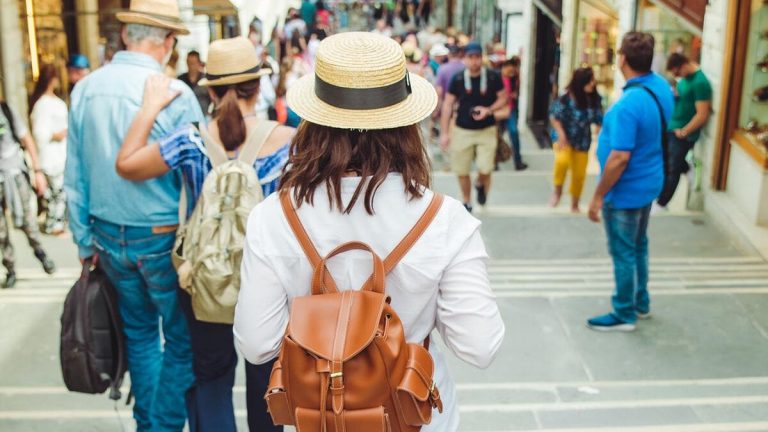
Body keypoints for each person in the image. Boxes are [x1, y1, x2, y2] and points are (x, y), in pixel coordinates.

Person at [232, 31, 504, 431]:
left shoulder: (273, 217)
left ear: (314, 122)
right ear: (406, 123)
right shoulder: (446, 221)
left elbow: (256, 346)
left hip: (319, 417)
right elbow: (480, 346)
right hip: (416, 419)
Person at [116, 36, 292, 432]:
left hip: (204, 278)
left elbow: (126, 164)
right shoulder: (288, 142)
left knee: (210, 377)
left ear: (208, 89)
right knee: (267, 379)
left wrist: (149, 108)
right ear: (258, 86)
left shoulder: (190, 138)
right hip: (268, 281)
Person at [64, 0, 202, 429]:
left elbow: (75, 175)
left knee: (141, 335)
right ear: (169, 42)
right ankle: (160, 425)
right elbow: (196, 178)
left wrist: (83, 239)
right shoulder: (174, 93)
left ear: (125, 35)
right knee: (181, 340)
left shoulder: (86, 88)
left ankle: (149, 425)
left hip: (107, 235)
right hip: (161, 234)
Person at [587, 32, 674, 331]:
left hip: (625, 190)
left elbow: (619, 158)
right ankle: (641, 301)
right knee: (639, 245)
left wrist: (598, 196)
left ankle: (624, 312)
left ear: (622, 59)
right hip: (650, 182)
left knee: (624, 251)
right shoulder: (660, 87)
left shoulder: (628, 105)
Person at [440, 41, 508, 212]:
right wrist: (445, 133)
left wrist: (489, 110)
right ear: (465, 59)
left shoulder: (493, 77)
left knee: (486, 168)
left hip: (487, 129)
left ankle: (480, 183)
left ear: (481, 58)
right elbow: (448, 104)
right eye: (471, 57)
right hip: (463, 129)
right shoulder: (458, 78)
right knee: (461, 169)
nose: (474, 61)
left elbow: (503, 97)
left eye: (477, 57)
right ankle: (467, 200)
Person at [0, 97, 56, 288]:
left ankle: (41, 253)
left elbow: (27, 139)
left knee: (27, 221)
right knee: (1, 231)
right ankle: (10, 268)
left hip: (15, 174)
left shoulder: (6, 110)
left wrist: (37, 171)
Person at [655, 52, 712, 211]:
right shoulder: (685, 79)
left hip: (682, 132)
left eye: (677, 72)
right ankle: (686, 168)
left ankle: (662, 203)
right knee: (667, 162)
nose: (677, 76)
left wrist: (685, 131)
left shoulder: (700, 83)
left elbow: (702, 114)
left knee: (673, 168)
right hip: (673, 127)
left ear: (684, 65)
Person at [549, 67, 603, 212]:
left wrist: (599, 128)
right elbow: (554, 117)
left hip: (582, 141)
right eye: (589, 80)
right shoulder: (566, 98)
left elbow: (599, 119)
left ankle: (575, 203)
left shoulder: (594, 99)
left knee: (579, 174)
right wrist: (561, 135)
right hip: (563, 139)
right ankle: (558, 191)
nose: (593, 83)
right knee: (562, 162)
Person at [29, 64, 69, 234]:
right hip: (50, 155)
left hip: (61, 153)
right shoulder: (42, 104)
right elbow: (39, 132)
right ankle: (54, 225)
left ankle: (58, 224)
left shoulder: (55, 101)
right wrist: (56, 135)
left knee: (60, 191)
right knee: (56, 192)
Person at [500, 57, 527, 171]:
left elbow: (516, 90)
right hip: (500, 110)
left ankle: (518, 161)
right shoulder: (497, 78)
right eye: (510, 71)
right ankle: (496, 160)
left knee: (514, 133)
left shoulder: (514, 78)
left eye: (513, 70)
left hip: (510, 109)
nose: (511, 73)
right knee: (497, 135)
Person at [178, 50, 212, 114]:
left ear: (199, 63)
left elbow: (211, 97)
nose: (191, 66)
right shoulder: (180, 79)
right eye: (189, 63)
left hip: (203, 115)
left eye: (193, 63)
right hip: (185, 115)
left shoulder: (206, 79)